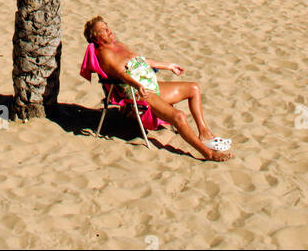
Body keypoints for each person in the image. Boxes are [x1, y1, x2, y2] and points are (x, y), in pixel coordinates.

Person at [83, 17, 232, 162]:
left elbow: (143, 61)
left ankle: (204, 132)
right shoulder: (105, 54)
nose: (109, 30)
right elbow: (122, 74)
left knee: (194, 88)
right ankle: (208, 153)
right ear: (96, 38)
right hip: (140, 93)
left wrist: (169, 66)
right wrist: (138, 85)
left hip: (150, 85)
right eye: (103, 30)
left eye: (107, 26)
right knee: (179, 116)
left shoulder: (118, 45)